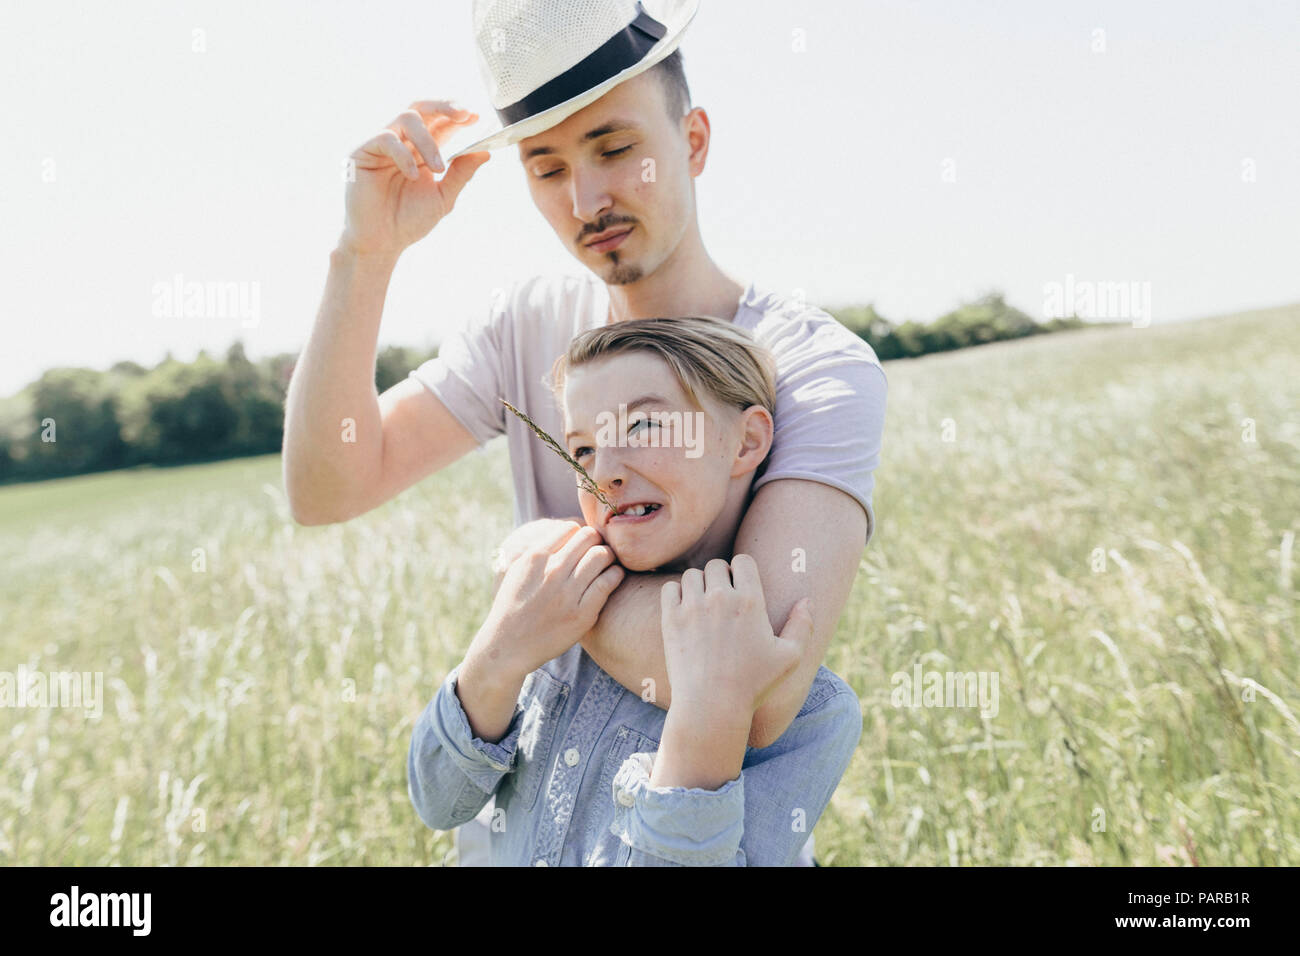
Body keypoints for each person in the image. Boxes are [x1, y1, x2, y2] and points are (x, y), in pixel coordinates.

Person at [282, 0, 887, 864]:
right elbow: (326, 488)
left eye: (615, 149)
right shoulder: (525, 322)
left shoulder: (814, 365)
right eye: (546, 166)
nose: (586, 199)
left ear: (695, 141)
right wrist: (364, 255)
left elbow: (756, 690)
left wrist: (544, 573)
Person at [407, 317, 862, 865]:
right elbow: (438, 802)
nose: (605, 475)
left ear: (746, 441)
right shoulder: (550, 617)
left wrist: (706, 722)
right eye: (582, 451)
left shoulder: (812, 713)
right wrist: (497, 658)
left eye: (644, 428)